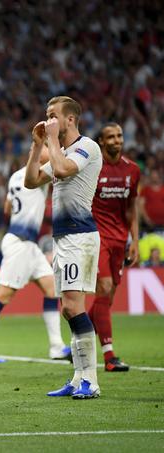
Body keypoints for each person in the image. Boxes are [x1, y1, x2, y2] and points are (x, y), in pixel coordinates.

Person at [25, 96, 103, 399]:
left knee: (73, 306)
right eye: (46, 115)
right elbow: (32, 182)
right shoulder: (58, 148)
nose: (48, 120)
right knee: (67, 310)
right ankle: (77, 377)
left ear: (70, 119)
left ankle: (91, 380)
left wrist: (53, 139)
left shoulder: (87, 147)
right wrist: (36, 146)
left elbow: (63, 169)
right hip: (62, 238)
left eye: (53, 115)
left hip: (80, 236)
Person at [0, 148, 70, 364]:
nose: (51, 150)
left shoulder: (16, 175)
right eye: (46, 147)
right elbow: (64, 167)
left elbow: (7, 207)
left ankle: (56, 346)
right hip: (20, 243)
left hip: (27, 244)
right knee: (3, 294)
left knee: (51, 289)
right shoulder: (39, 174)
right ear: (36, 153)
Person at [89, 123, 140, 372]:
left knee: (106, 299)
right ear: (101, 141)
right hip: (98, 238)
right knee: (104, 288)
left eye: (119, 136)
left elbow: (132, 209)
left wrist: (135, 241)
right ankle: (109, 356)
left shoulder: (132, 170)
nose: (117, 140)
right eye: (111, 137)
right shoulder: (93, 169)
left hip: (120, 240)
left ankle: (81, 338)